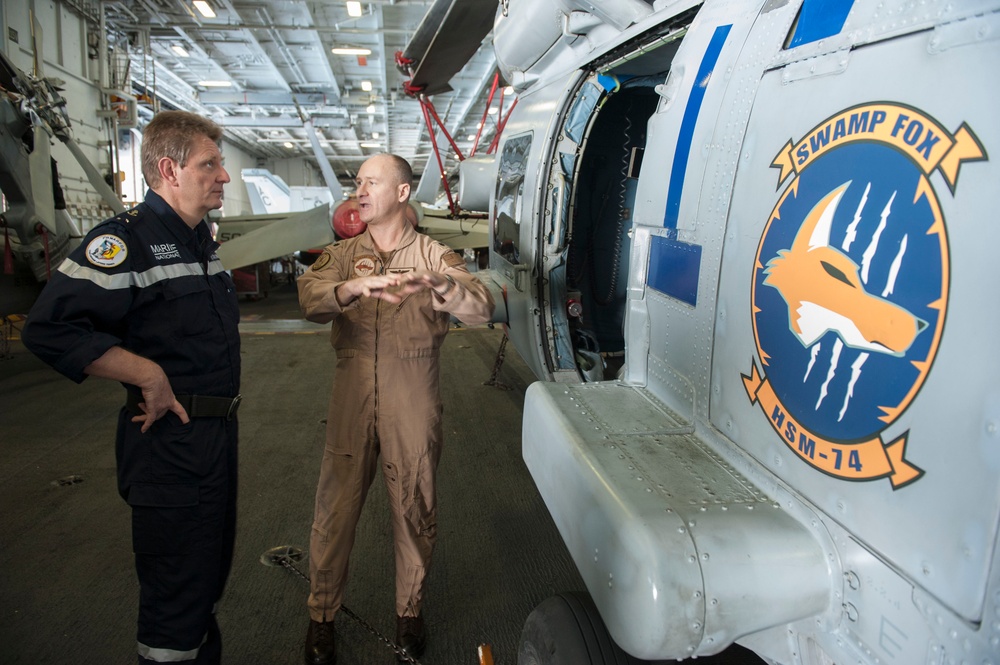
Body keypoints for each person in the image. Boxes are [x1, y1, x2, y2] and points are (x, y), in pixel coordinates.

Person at [22, 110, 241, 664]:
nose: (224, 176)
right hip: (169, 446)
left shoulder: (199, 244)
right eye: (210, 164)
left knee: (203, 587)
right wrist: (145, 372)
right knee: (174, 601)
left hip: (214, 439)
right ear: (169, 169)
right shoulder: (125, 243)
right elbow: (49, 329)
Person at [297, 153, 494, 664]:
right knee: (334, 511)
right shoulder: (344, 254)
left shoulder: (434, 254)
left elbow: (481, 307)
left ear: (402, 193)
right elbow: (309, 298)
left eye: (371, 183)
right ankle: (321, 618)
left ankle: (409, 611)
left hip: (413, 389)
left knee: (413, 502)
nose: (360, 191)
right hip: (351, 391)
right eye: (357, 183)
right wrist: (350, 287)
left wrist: (443, 287)